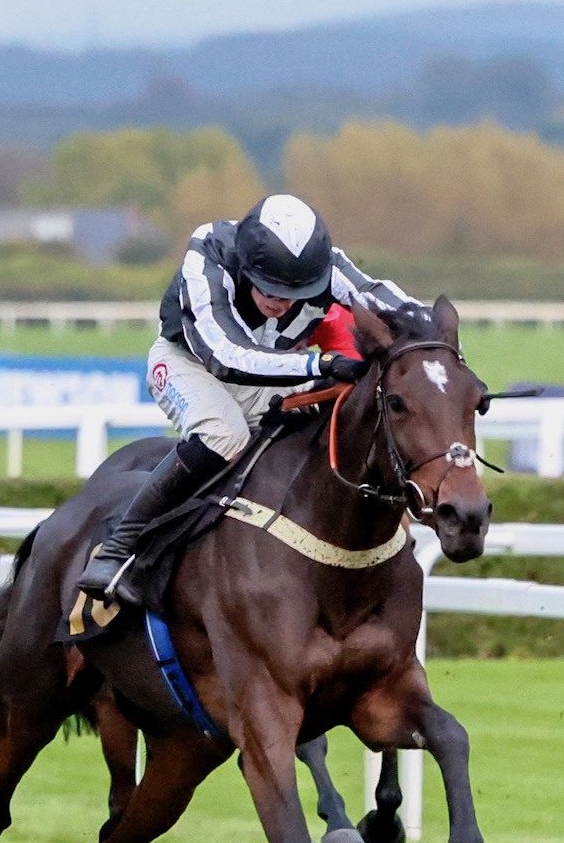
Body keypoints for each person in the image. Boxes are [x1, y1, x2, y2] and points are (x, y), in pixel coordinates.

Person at [76, 193, 419, 606]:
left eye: (296, 291)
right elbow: (226, 357)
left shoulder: (325, 265)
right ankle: (119, 547)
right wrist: (318, 366)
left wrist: (435, 339)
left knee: (336, 419)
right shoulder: (208, 252)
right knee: (225, 435)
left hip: (273, 370)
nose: (281, 302)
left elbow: (381, 296)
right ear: (246, 263)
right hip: (191, 364)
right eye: (271, 288)